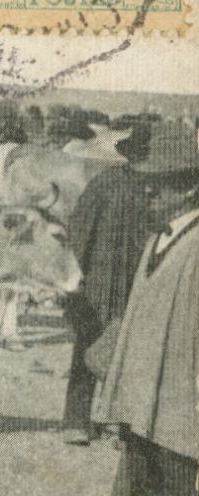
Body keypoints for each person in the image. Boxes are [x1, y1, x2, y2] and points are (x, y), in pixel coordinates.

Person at [89, 123, 199, 496]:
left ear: (188, 187)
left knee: (175, 490)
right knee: (141, 481)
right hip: (144, 389)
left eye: (160, 183)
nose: (149, 191)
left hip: (180, 392)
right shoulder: (160, 237)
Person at [61, 123, 154, 446]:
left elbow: (79, 233)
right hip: (133, 285)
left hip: (105, 283)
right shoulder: (155, 191)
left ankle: (78, 423)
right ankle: (121, 427)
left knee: (91, 348)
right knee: (130, 353)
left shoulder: (105, 182)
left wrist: (75, 277)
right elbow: (80, 233)